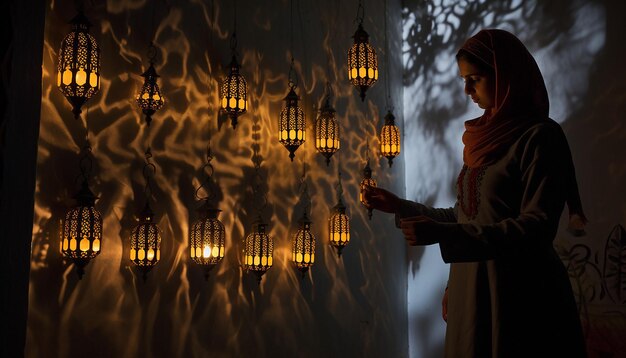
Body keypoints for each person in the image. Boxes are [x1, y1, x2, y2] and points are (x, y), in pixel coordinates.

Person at [363, 29, 587, 357]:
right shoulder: (480, 141)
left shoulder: (540, 138)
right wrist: (401, 206)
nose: (467, 90)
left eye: (476, 78)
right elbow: (465, 215)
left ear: (506, 74)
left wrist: (445, 235)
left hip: (519, 292)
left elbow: (537, 227)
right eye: (464, 80)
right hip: (473, 287)